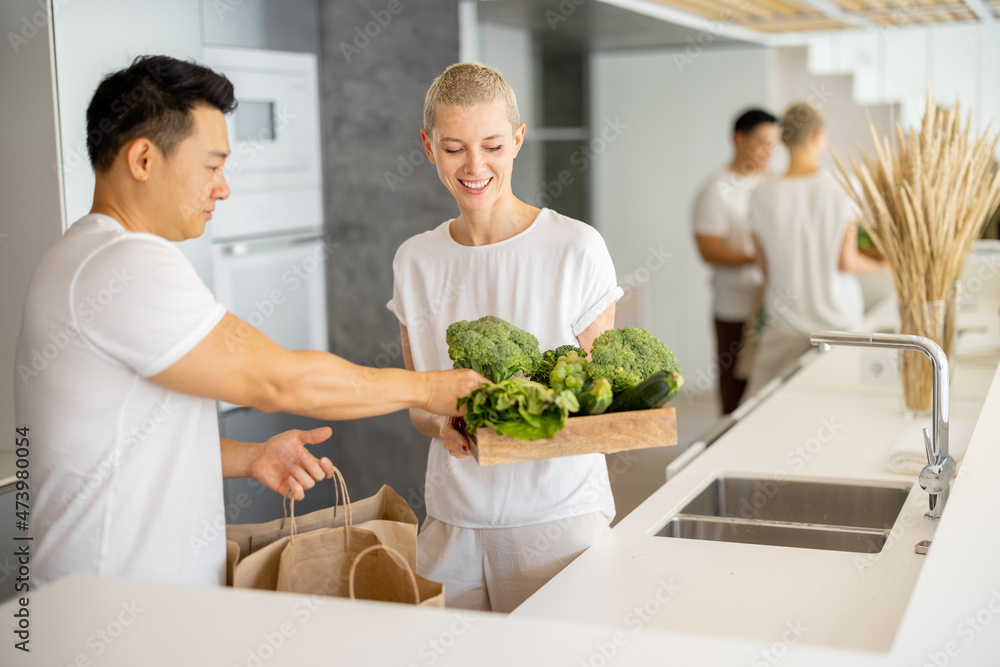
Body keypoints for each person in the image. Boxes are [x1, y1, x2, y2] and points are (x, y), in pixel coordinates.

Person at [14, 55, 485, 589]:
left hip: (115, 602)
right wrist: (430, 388)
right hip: (120, 613)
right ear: (143, 159)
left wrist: (253, 456)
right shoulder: (123, 266)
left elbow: (123, 444)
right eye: (212, 166)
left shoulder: (81, 255)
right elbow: (278, 379)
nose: (223, 187)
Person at [387, 63, 623, 612]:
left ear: (517, 139)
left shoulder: (576, 248)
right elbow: (419, 403)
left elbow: (596, 406)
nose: (475, 166)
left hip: (559, 521)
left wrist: (520, 419)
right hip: (451, 524)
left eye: (492, 145)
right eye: (454, 148)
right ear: (428, 147)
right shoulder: (415, 260)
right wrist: (446, 420)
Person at [744, 102, 884, 398]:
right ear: (819, 135)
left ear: (782, 138)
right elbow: (846, 261)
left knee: (767, 409)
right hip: (840, 323)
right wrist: (884, 265)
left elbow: (764, 267)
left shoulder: (761, 193)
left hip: (784, 324)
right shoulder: (844, 186)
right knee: (840, 405)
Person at [693, 109, 779, 414]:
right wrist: (756, 258)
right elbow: (709, 249)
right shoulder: (717, 189)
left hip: (773, 306)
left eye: (773, 144)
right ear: (739, 139)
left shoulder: (772, 185)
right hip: (734, 308)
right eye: (762, 142)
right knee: (735, 392)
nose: (768, 151)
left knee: (768, 392)